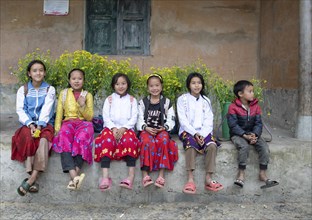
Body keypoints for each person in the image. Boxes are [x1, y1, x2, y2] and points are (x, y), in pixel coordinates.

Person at [11, 60, 56, 196]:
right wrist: (30, 124)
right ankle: (33, 180)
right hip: (27, 123)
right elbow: (20, 110)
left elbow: (47, 110)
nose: (38, 73)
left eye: (41, 70)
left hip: (45, 123)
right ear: (29, 73)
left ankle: (31, 179)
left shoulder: (50, 89)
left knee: (43, 140)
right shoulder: (23, 90)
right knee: (28, 138)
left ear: (45, 73)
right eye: (35, 70)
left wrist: (39, 125)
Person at [177, 72, 223, 194]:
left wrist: (202, 134)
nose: (197, 86)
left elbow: (209, 120)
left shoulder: (206, 101)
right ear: (189, 85)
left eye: (199, 83)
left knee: (212, 146)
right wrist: (195, 134)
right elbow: (183, 121)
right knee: (190, 145)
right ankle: (190, 179)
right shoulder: (182, 99)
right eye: (193, 83)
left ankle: (208, 178)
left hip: (204, 132)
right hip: (188, 131)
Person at [227, 80, 279, 189]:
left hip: (253, 133)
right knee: (244, 147)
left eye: (253, 91)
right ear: (240, 94)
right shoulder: (233, 107)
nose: (252, 93)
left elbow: (258, 123)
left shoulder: (256, 106)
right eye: (250, 91)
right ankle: (241, 174)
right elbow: (233, 125)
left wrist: (255, 135)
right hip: (238, 135)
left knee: (264, 147)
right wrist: (244, 135)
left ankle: (263, 174)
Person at [94, 73, 139, 191]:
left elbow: (134, 117)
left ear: (127, 85)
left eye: (123, 83)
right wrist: (113, 128)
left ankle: (130, 176)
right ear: (113, 85)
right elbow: (106, 116)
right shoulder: (109, 99)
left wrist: (124, 128)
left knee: (129, 141)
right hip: (110, 128)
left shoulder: (132, 100)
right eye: (117, 84)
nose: (120, 86)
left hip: (127, 128)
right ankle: (105, 177)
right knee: (106, 141)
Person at [52, 68, 94, 190]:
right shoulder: (64, 94)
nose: (76, 81)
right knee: (64, 137)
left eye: (79, 79)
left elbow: (90, 117)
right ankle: (74, 176)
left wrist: (82, 105)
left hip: (83, 123)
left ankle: (74, 178)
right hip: (68, 122)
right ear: (69, 80)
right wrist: (57, 128)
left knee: (81, 138)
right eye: (73, 78)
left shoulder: (87, 95)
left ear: (84, 80)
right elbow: (59, 112)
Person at [137, 74, 178, 188]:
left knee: (164, 140)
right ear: (147, 88)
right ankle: (145, 175)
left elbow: (171, 118)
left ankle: (161, 175)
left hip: (161, 129)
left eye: (157, 85)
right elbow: (139, 119)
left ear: (161, 86)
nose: (154, 88)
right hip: (147, 130)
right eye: (151, 86)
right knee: (145, 142)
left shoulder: (166, 102)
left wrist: (165, 127)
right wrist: (145, 128)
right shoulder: (143, 102)